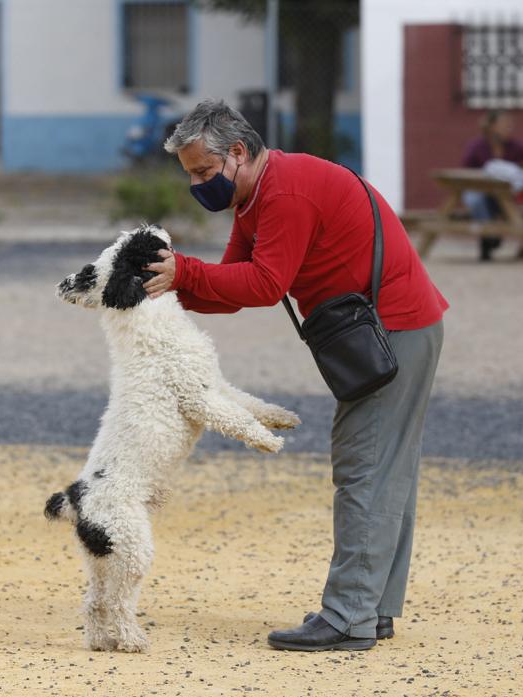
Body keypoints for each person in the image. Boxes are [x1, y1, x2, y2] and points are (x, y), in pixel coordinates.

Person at [143, 99, 448, 651]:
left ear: (237, 153)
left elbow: (262, 284)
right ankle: (371, 608)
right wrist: (167, 291)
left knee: (365, 466)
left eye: (203, 172)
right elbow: (234, 288)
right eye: (190, 174)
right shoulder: (254, 193)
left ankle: (349, 615)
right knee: (386, 469)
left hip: (394, 328)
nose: (196, 184)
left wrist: (183, 270)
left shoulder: (283, 193)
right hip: (398, 325)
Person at [460, 110, 523, 261]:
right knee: (475, 199)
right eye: (504, 125)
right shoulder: (477, 146)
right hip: (480, 192)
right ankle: (490, 238)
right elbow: (465, 168)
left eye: (509, 125)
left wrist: (520, 167)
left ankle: (490, 238)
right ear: (492, 127)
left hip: (502, 195)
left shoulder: (514, 146)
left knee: (505, 202)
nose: (508, 128)